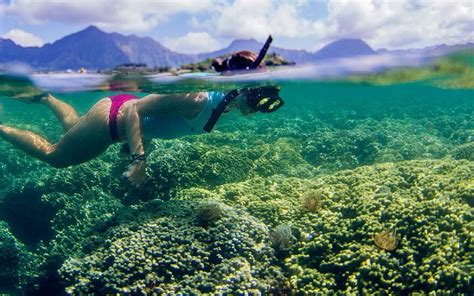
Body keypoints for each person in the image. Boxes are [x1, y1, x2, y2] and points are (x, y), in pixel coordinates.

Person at [0, 86, 284, 187]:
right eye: (258, 99)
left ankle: (46, 97)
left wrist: (144, 139)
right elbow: (136, 108)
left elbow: (159, 120)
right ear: (245, 88)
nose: (258, 110)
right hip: (112, 122)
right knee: (55, 156)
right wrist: (139, 158)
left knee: (74, 125)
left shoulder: (230, 105)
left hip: (112, 113)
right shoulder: (197, 99)